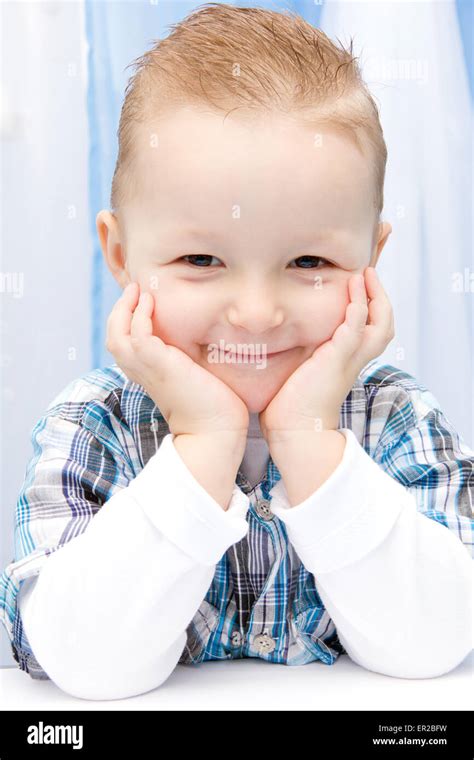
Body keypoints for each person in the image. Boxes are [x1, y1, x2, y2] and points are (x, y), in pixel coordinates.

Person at [0, 3, 472, 701]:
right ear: (122, 255)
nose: (257, 313)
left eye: (309, 259)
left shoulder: (396, 419)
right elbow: (82, 664)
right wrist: (205, 442)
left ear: (371, 259)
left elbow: (438, 643)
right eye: (202, 258)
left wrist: (311, 439)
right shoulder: (95, 425)